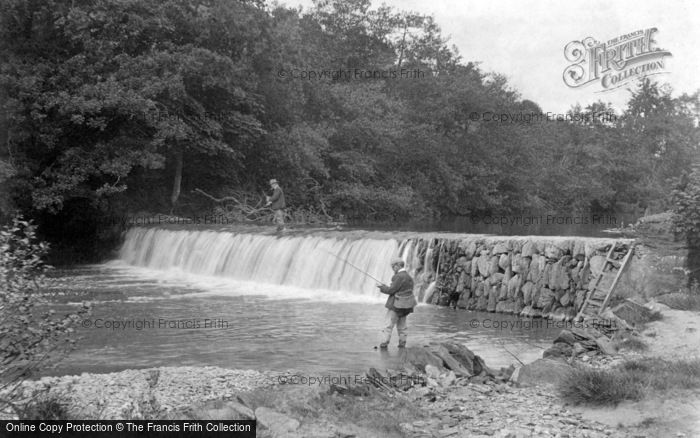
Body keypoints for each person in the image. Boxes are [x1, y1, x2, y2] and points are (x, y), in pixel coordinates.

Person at [377, 257, 417, 349]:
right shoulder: (409, 277)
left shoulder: (398, 277)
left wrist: (381, 287)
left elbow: (391, 290)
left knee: (388, 325)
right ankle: (402, 343)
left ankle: (384, 343)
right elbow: (400, 289)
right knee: (402, 326)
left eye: (393, 266)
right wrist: (386, 287)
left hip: (396, 305)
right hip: (406, 305)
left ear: (398, 265)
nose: (392, 268)